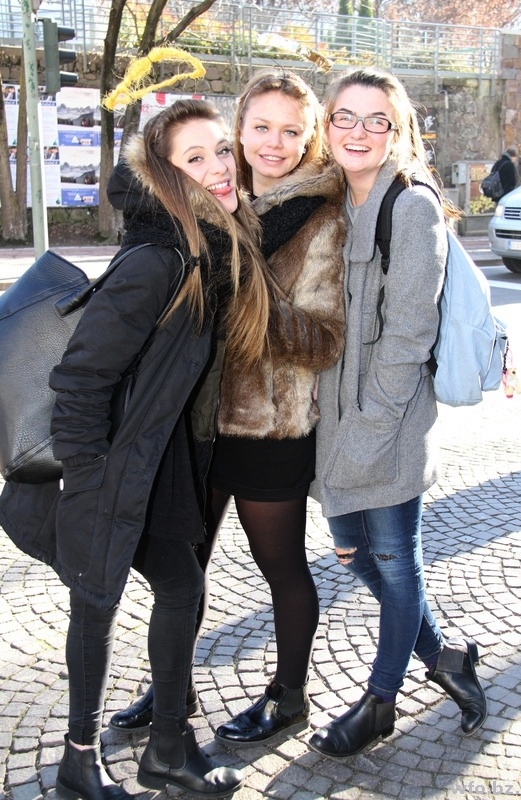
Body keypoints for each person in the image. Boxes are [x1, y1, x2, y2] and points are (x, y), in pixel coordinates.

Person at [0, 98, 274, 799]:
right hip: (108, 466)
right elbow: (81, 379)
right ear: (166, 175)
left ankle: (168, 750)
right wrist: (90, 479)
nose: (219, 167)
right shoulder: (158, 260)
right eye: (195, 157)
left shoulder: (207, 245)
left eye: (221, 149)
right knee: (95, 603)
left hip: (157, 461)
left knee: (180, 587)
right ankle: (79, 761)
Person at [110, 69, 347, 746]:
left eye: (290, 131)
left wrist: (247, 294)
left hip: (270, 426)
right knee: (183, 566)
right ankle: (171, 688)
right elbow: (135, 189)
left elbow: (324, 339)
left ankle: (289, 697)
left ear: (309, 138)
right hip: (198, 418)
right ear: (238, 130)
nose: (273, 143)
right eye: (260, 126)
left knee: (282, 567)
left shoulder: (322, 217)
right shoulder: (213, 192)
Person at [308, 67, 488, 759]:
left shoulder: (411, 206)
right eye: (345, 117)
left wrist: (371, 430)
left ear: (398, 129)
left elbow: (410, 336)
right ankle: (445, 659)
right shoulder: (328, 200)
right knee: (355, 555)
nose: (358, 132)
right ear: (328, 125)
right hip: (334, 419)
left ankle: (379, 703)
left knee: (394, 560)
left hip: (388, 419)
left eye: (375, 119)